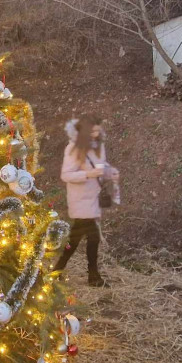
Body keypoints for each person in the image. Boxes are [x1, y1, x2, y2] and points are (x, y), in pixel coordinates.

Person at [53, 116, 121, 287]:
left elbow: (101, 166)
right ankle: (93, 276)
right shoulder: (73, 149)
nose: (96, 134)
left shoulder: (99, 146)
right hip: (80, 199)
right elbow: (66, 175)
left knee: (76, 239)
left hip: (94, 197)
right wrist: (87, 175)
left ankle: (57, 270)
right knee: (92, 236)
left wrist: (110, 172)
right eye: (92, 131)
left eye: (98, 131)